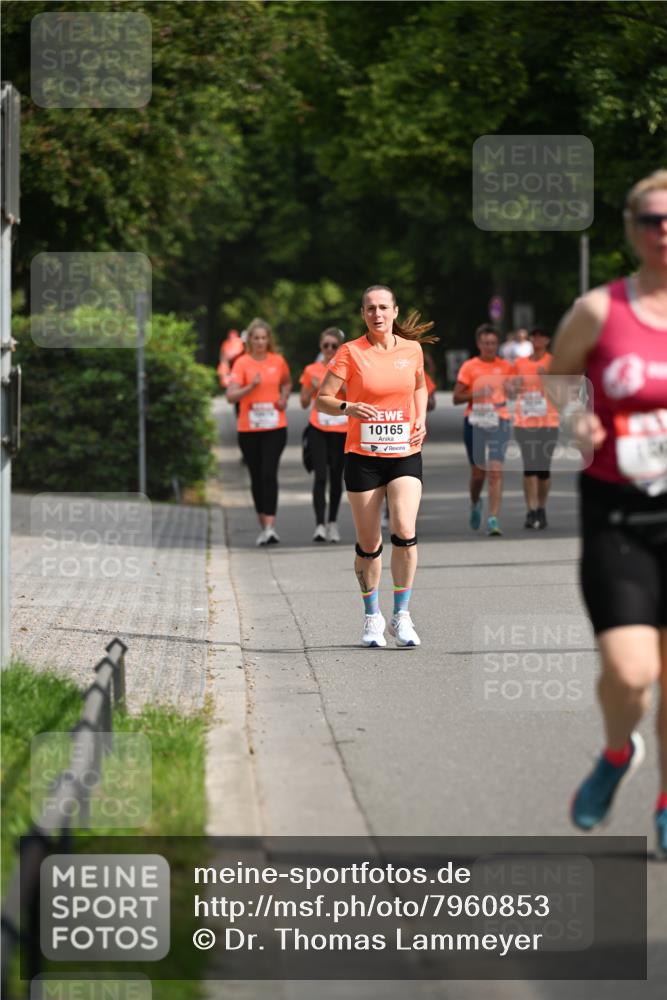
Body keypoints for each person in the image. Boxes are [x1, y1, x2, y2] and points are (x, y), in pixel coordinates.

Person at [549, 170, 667, 857]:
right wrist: (579, 420)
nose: (663, 231)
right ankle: (618, 752)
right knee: (629, 674)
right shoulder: (599, 310)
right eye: (651, 219)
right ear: (630, 228)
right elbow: (559, 376)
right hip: (617, 515)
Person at [317, 285, 436, 647]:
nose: (377, 314)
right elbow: (323, 399)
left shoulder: (411, 350)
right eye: (370, 308)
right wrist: (347, 408)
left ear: (395, 311)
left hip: (403, 450)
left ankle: (402, 616)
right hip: (363, 456)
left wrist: (419, 419)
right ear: (363, 314)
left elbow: (420, 387)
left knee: (404, 528)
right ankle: (372, 617)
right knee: (369, 543)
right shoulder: (350, 352)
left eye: (384, 307)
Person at [226, 318, 292, 546]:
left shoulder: (278, 361)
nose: (260, 342)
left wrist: (283, 398)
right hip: (249, 429)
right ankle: (263, 524)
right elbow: (230, 396)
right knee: (256, 475)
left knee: (268, 473)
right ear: (249, 341)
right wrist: (250, 387)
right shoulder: (242, 363)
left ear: (269, 340)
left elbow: (286, 382)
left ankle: (271, 527)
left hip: (275, 427)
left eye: (264, 338)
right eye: (256, 338)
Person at [453, 325, 513, 535]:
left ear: (498, 345)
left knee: (495, 471)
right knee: (478, 473)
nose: (489, 347)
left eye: (493, 343)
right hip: (475, 421)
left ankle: (493, 518)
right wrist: (476, 393)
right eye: (486, 343)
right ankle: (476, 501)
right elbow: (456, 397)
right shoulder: (470, 366)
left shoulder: (506, 366)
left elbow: (514, 393)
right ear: (479, 344)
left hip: (500, 420)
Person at [299, 328, 347, 542]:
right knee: (320, 476)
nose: (329, 349)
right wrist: (313, 388)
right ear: (320, 347)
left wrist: (334, 386)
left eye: (333, 346)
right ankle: (319, 524)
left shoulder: (348, 369)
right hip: (318, 427)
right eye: (325, 345)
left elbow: (355, 394)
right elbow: (302, 402)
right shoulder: (311, 369)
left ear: (340, 348)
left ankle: (333, 523)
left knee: (336, 478)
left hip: (341, 430)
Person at [511, 326, 560, 528]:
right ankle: (530, 510)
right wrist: (515, 384)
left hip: (548, 421)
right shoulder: (519, 363)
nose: (538, 339)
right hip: (524, 422)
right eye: (535, 336)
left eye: (542, 336)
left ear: (548, 341)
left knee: (543, 470)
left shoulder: (554, 363)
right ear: (531, 339)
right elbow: (511, 391)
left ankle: (542, 507)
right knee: (529, 467)